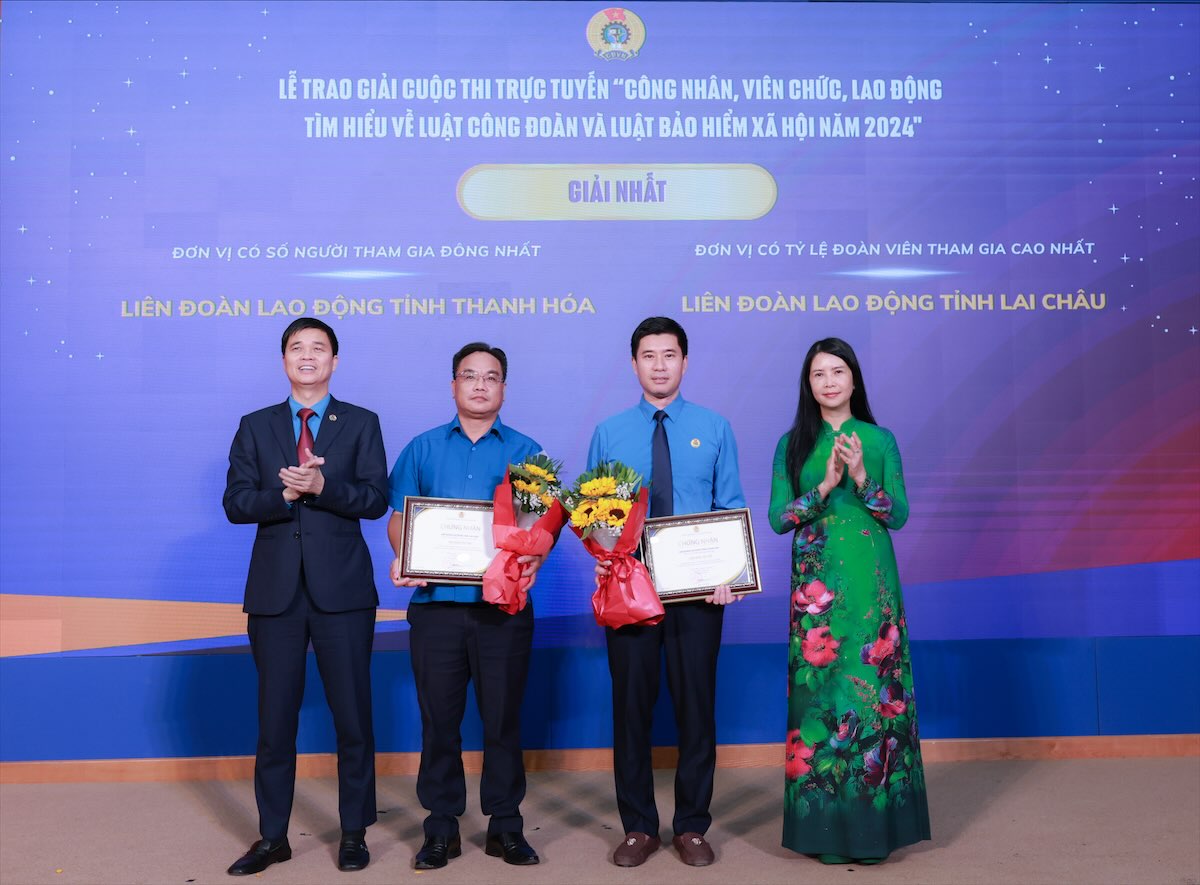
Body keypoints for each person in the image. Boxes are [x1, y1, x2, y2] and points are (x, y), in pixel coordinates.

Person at [222, 318, 389, 875]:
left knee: (353, 719)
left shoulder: (362, 423)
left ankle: (354, 832)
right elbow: (236, 503)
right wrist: (283, 494)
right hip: (276, 596)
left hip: (342, 592)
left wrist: (322, 487)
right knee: (274, 722)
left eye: (319, 348)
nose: (308, 356)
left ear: (335, 361)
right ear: (284, 360)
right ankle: (273, 836)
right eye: (297, 348)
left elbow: (374, 499)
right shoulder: (255, 426)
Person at [387, 342, 552, 870]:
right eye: (469, 375)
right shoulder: (422, 448)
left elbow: (540, 531)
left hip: (502, 609)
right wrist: (402, 555)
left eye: (491, 377)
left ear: (504, 388)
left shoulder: (528, 451)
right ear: (453, 385)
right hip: (435, 607)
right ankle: (440, 828)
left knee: (503, 720)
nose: (480, 385)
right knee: (439, 720)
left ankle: (506, 826)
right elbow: (399, 517)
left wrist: (533, 563)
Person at [587, 316, 745, 868]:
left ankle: (692, 825)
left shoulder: (715, 426)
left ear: (684, 361)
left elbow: (729, 510)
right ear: (633, 364)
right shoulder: (609, 432)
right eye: (648, 356)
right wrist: (609, 555)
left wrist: (732, 577)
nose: (659, 365)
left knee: (696, 709)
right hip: (630, 593)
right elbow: (593, 518)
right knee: (630, 709)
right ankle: (638, 826)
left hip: (699, 595)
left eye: (669, 355)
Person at [767, 337, 931, 865]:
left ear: (854, 380)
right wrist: (824, 487)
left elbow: (898, 515)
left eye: (838, 371)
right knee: (823, 701)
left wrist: (860, 479)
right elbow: (777, 519)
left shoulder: (879, 440)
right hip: (816, 595)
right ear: (808, 385)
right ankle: (825, 834)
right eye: (819, 374)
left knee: (873, 697)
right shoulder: (793, 444)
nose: (830, 381)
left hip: (871, 586)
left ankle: (874, 830)